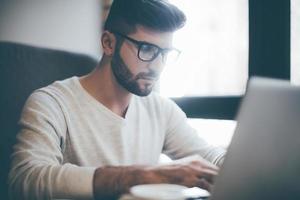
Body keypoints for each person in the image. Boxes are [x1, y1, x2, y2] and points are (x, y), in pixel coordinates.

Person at [8, 0, 226, 199]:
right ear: (108, 43)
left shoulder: (161, 109)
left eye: (165, 53)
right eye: (147, 49)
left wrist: (244, 167)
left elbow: (209, 157)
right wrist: (146, 175)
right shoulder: (51, 103)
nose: (157, 66)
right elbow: (25, 180)